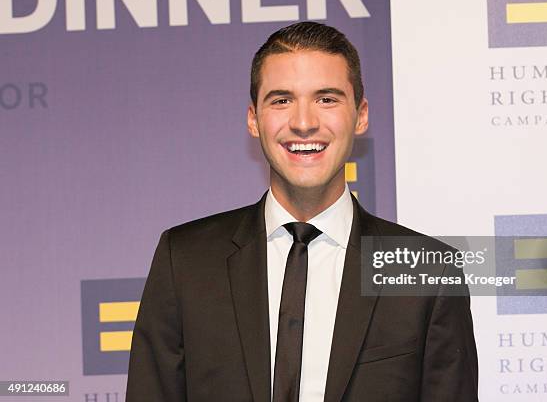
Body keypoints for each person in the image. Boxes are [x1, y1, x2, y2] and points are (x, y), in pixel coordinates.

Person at [126, 21, 478, 402]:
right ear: (253, 119)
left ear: (360, 115)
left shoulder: (425, 270)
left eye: (326, 99)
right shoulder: (187, 261)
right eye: (281, 100)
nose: (304, 123)